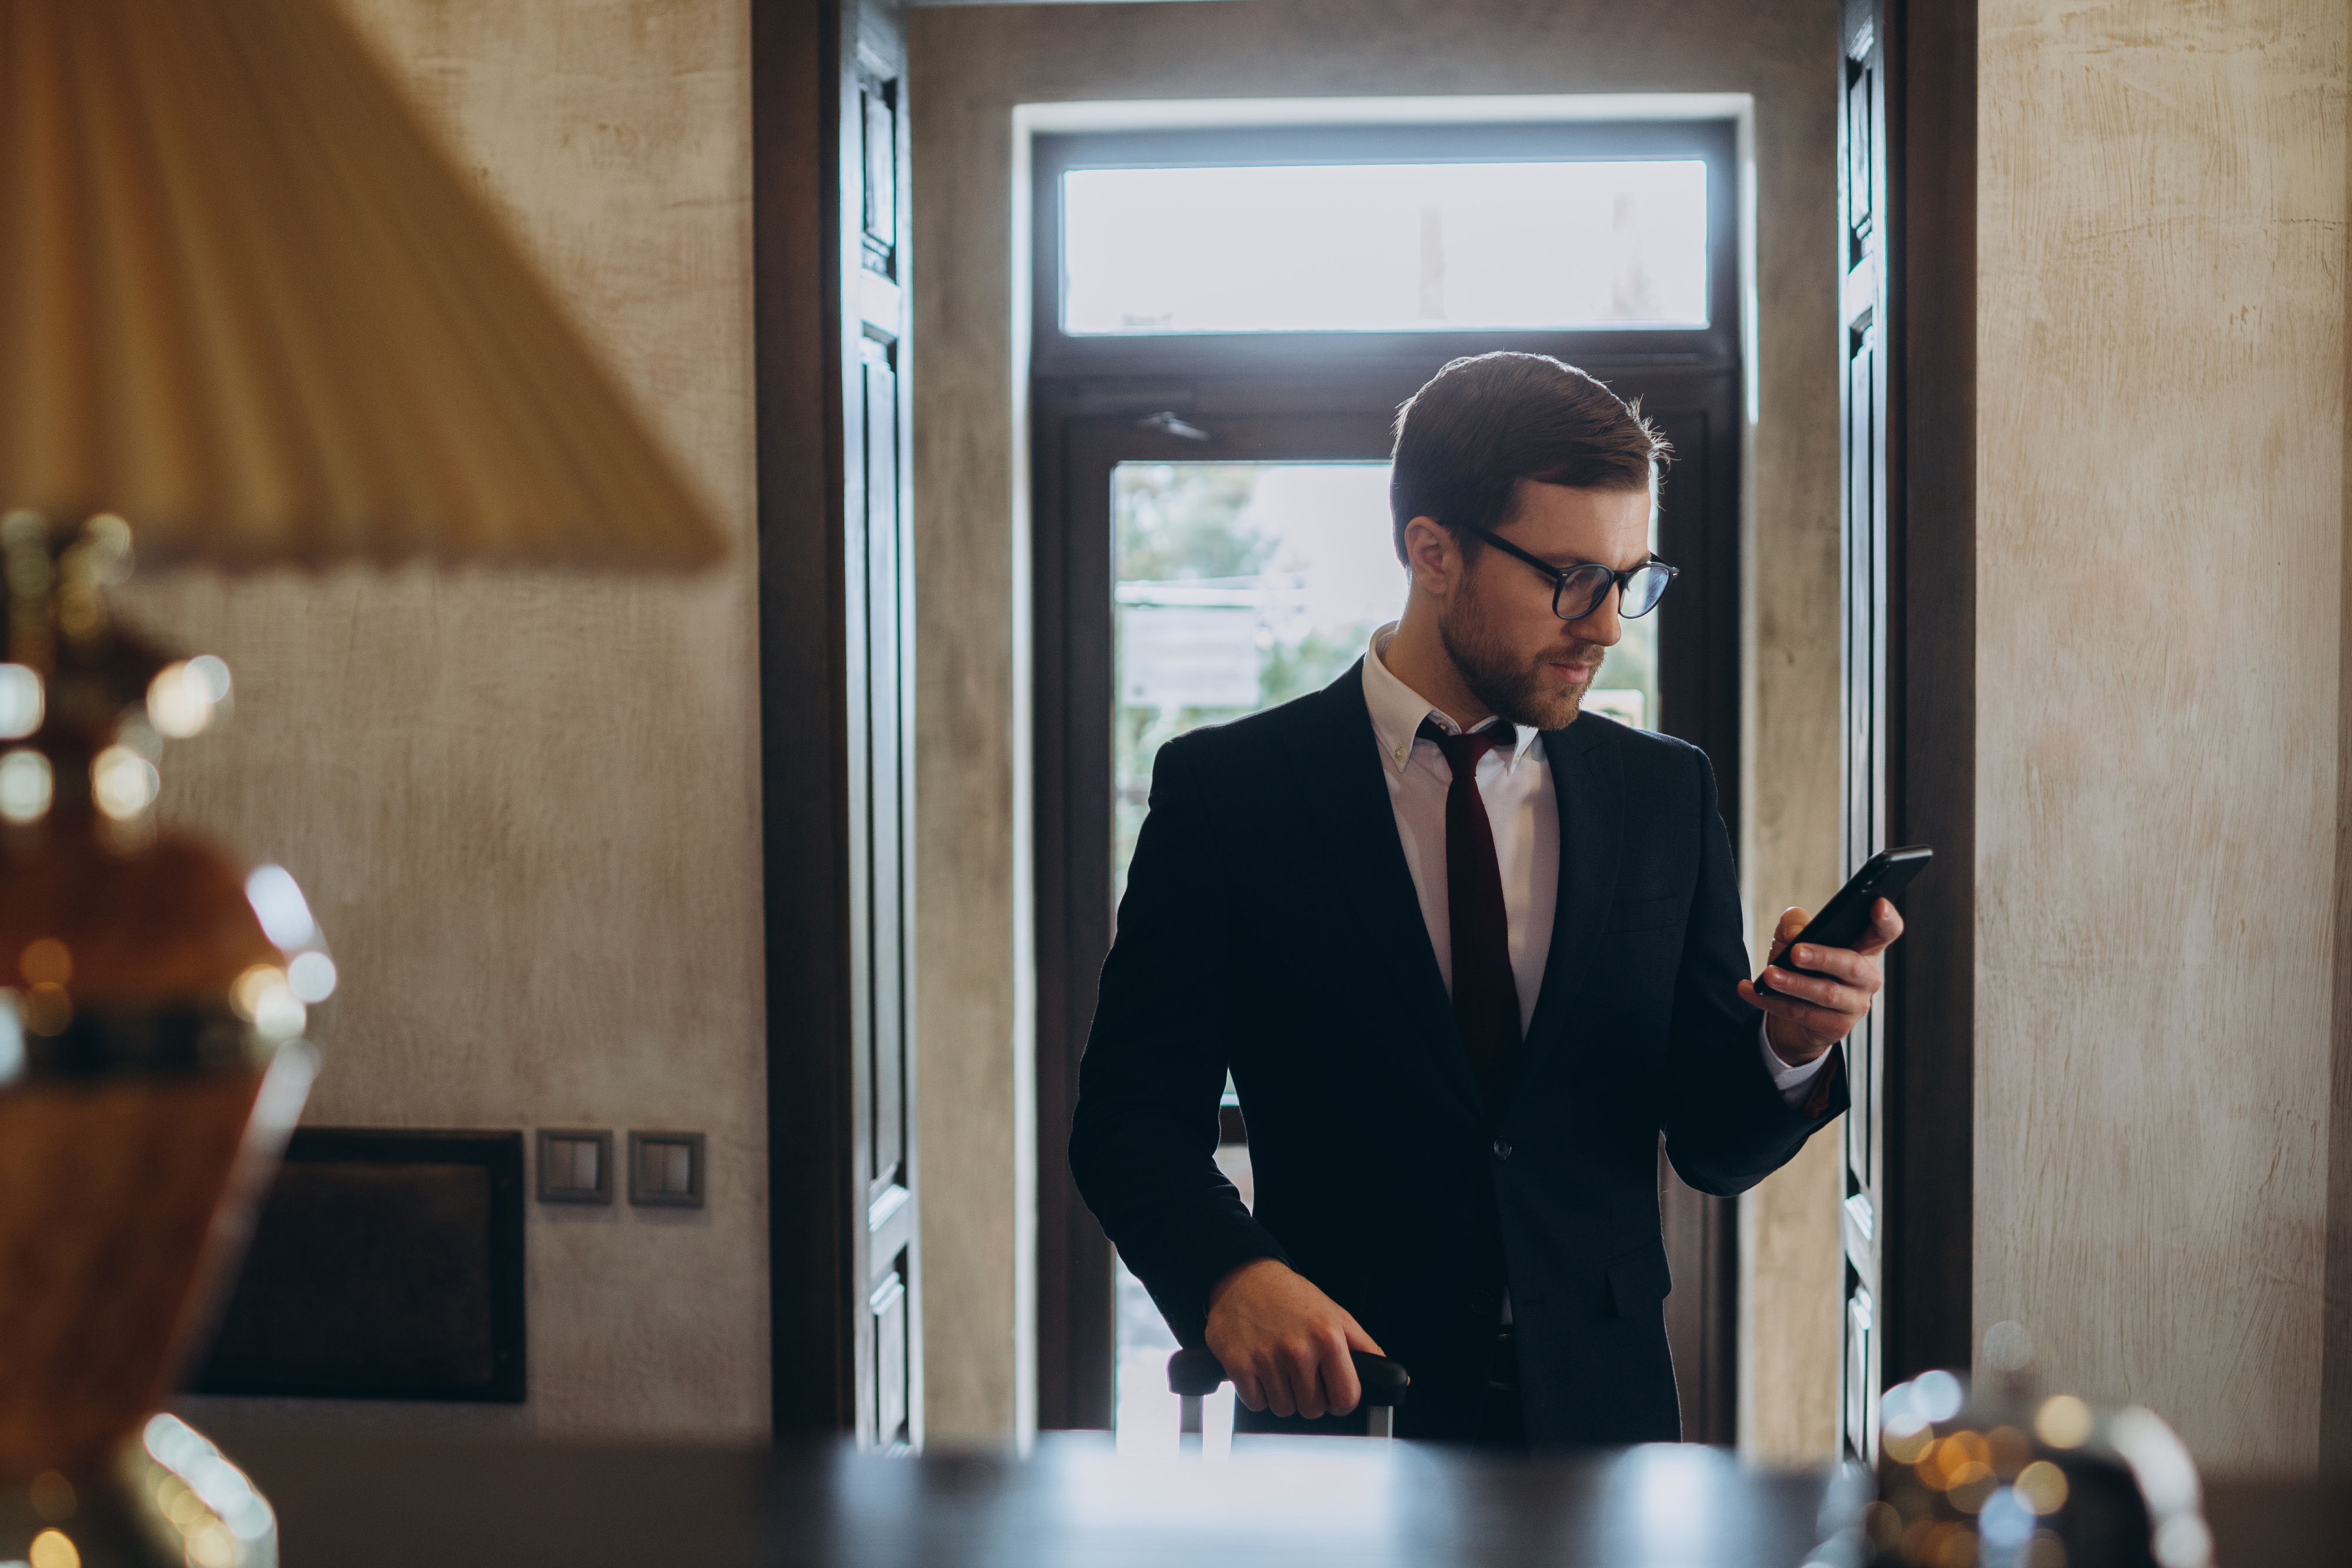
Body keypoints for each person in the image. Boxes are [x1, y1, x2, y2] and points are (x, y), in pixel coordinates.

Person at [1068, 351, 1904, 1447]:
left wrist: (1789, 1046)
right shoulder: (1229, 793)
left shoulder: (1662, 793)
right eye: (1573, 580)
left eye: (1632, 580)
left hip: (1604, 1414)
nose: (1607, 627)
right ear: (1433, 552)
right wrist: (1231, 1278)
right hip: (1350, 1405)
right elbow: (1130, 1119)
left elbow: (1711, 1144)